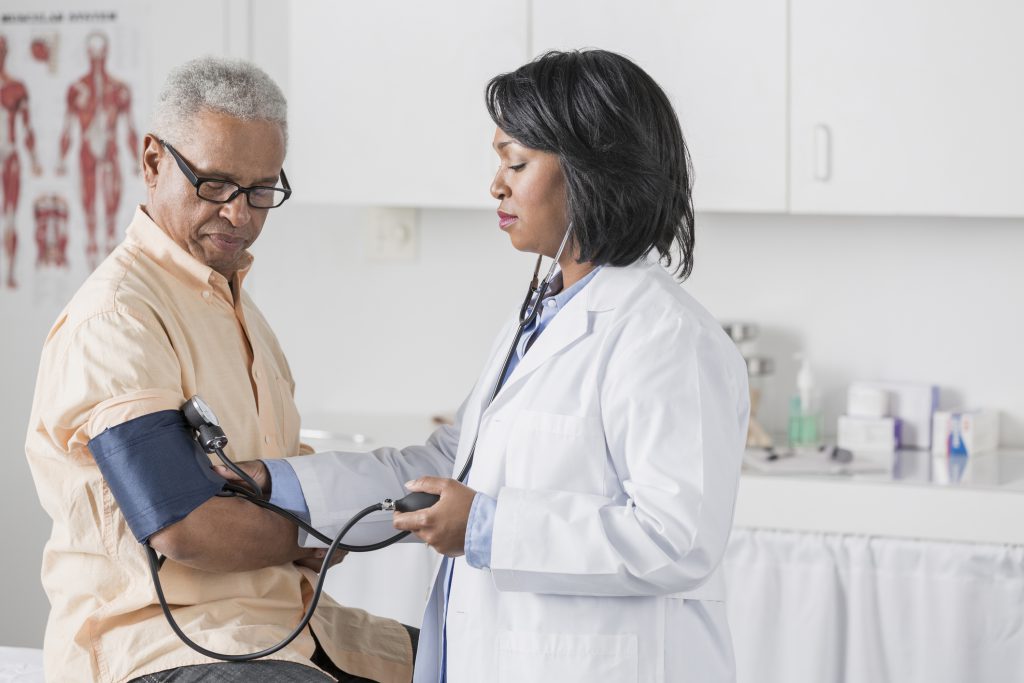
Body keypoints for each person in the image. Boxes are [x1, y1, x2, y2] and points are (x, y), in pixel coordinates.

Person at [223, 49, 750, 682]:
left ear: (592, 171)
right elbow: (446, 466)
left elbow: (677, 539)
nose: (496, 185)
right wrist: (271, 484)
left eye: (517, 161)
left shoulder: (664, 335)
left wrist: (489, 527)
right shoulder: (539, 317)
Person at [26, 58, 414, 683]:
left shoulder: (232, 304)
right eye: (215, 185)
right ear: (153, 161)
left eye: (262, 190)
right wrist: (315, 538)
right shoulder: (118, 318)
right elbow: (184, 525)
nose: (241, 215)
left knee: (475, 651)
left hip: (289, 624)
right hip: (169, 646)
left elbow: (288, 477)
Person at [57, 31, 140, 270]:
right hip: (86, 151)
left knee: (112, 201)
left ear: (106, 53)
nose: (96, 59)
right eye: (93, 54)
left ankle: (111, 248)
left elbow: (130, 127)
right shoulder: (77, 89)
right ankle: (93, 250)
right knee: (89, 201)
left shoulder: (119, 89)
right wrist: (61, 159)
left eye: (100, 54)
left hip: (110, 151)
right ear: (88, 53)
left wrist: (136, 159)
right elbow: (67, 126)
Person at [0, 33, 43, 289]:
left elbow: (27, 128)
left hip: (10, 157)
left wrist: (35, 159)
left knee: (11, 216)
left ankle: (10, 272)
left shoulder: (16, 88)